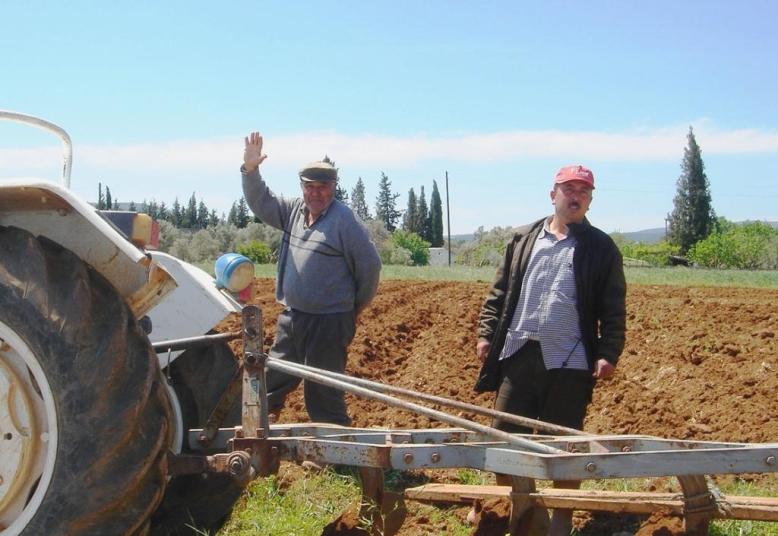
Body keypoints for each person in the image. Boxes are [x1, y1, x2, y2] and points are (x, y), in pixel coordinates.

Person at [473, 164, 626, 534]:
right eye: (568, 189)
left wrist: (608, 352)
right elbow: (499, 293)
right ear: (552, 194)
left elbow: (613, 306)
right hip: (519, 353)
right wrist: (486, 334)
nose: (575, 196)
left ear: (589, 200)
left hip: (570, 360)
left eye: (583, 192)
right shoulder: (523, 238)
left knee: (564, 446)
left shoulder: (600, 248)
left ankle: (561, 518)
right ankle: (516, 511)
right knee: (505, 437)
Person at [241, 131, 381, 426]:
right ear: (302, 187)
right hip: (293, 317)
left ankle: (335, 451)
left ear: (334, 187)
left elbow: (370, 267)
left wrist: (353, 307)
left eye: (324, 186)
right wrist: (251, 171)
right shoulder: (293, 211)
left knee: (322, 389)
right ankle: (255, 428)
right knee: (274, 375)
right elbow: (260, 202)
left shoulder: (344, 220)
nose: (317, 193)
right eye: (310, 186)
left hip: (330, 321)